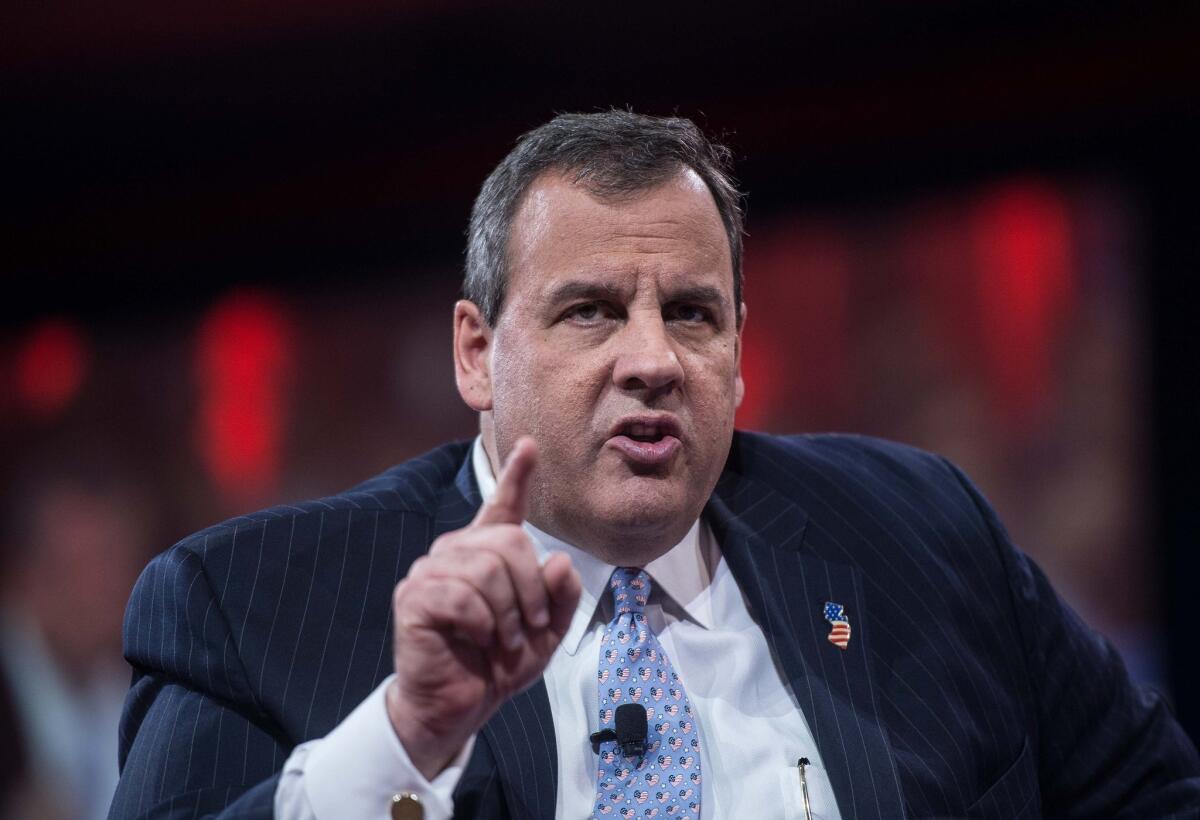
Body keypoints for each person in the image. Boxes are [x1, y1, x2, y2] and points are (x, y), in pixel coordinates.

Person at [109, 111, 1200, 820]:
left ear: (738, 347)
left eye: (691, 313)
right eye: (590, 312)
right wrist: (408, 736)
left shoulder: (920, 531)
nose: (653, 361)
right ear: (477, 353)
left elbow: (1153, 794)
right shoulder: (246, 605)